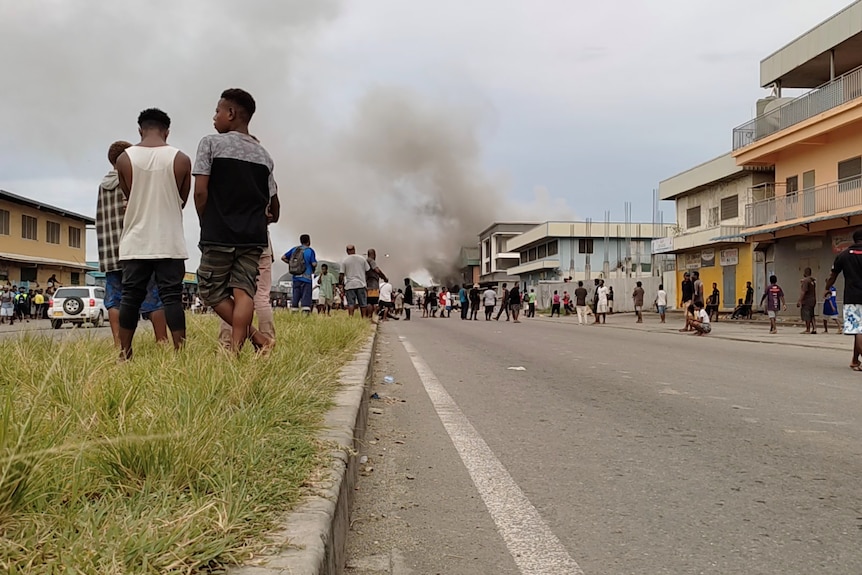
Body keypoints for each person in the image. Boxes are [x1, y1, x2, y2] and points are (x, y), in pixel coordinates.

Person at [193, 89, 277, 354]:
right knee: (244, 291)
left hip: (218, 232)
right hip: (253, 237)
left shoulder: (210, 144)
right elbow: (275, 206)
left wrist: (204, 220)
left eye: (217, 111)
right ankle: (246, 347)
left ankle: (255, 341)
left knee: (209, 290)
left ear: (231, 113)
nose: (214, 117)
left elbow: (200, 191)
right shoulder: (264, 156)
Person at [115, 108, 190, 360]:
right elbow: (182, 199)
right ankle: (180, 355)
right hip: (169, 240)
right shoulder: (181, 159)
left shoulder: (124, 159)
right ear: (167, 131)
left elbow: (129, 193)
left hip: (136, 240)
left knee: (130, 297)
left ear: (140, 130)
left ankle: (124, 355)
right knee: (172, 298)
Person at [96, 139, 169, 347]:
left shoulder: (103, 185)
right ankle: (162, 342)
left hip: (111, 253)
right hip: (137, 250)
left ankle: (120, 345)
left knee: (114, 300)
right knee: (153, 298)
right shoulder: (134, 181)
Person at [824, 229, 862, 370]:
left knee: (858, 330)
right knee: (859, 331)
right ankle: (854, 360)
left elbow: (833, 275)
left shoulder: (843, 255)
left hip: (853, 297)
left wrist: (827, 288)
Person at [282, 234, 317, 314]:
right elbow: (314, 264)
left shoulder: (294, 249)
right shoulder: (310, 251)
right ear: (309, 241)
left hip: (296, 278)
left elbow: (283, 257)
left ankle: (294, 313)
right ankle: (305, 314)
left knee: (295, 296)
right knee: (306, 298)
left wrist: (291, 264)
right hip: (306, 279)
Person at [339, 245, 371, 317]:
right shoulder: (362, 259)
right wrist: (365, 280)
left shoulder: (344, 261)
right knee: (363, 304)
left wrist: (340, 284)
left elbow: (341, 274)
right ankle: (363, 318)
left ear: (347, 251)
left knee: (351, 304)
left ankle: (351, 319)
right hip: (361, 284)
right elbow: (368, 270)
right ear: (354, 250)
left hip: (349, 285)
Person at [365, 249, 388, 319]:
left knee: (369, 301)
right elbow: (377, 270)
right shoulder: (371, 261)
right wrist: (384, 277)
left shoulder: (366, 261)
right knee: (371, 302)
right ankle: (370, 317)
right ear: (374, 254)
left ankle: (369, 317)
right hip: (372, 285)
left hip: (367, 284)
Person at [797, 267, 817, 334]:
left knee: (806, 314)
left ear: (805, 273)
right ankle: (814, 328)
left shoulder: (806, 281)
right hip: (813, 300)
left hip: (807, 300)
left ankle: (807, 329)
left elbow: (803, 291)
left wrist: (799, 300)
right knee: (812, 315)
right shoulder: (812, 281)